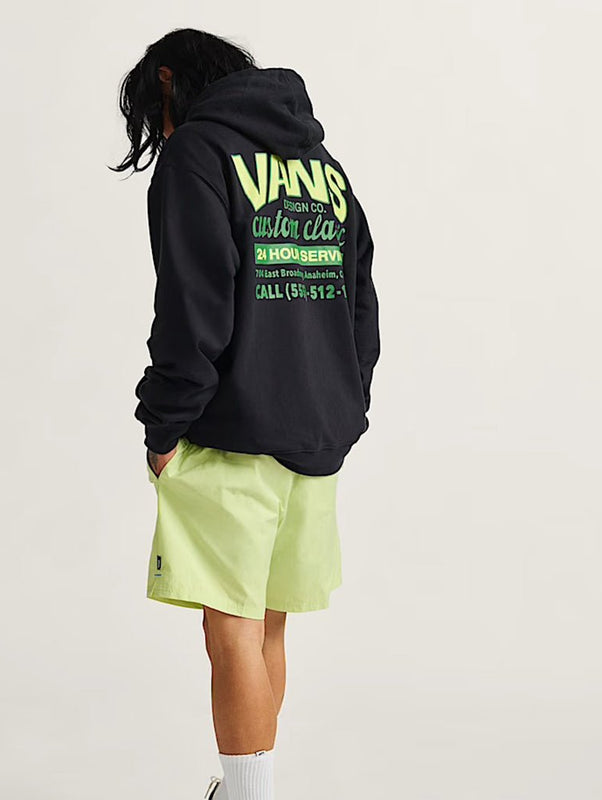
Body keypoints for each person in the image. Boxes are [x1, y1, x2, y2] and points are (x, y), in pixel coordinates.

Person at [110, 28, 380, 800]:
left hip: (231, 430)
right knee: (266, 623)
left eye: (153, 113)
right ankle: (245, 788)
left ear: (170, 81)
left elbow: (193, 306)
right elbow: (360, 301)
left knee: (228, 627)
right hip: (315, 432)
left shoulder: (199, 153)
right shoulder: (323, 168)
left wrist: (164, 425)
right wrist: (345, 400)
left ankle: (249, 797)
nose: (159, 132)